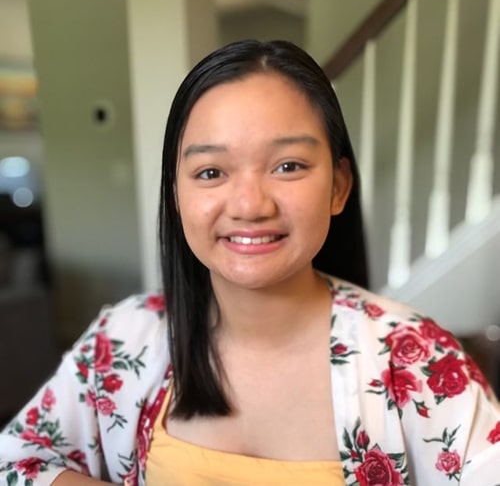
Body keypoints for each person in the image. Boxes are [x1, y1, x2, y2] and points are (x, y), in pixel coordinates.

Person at [0, 39, 499, 486]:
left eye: (288, 166)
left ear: (339, 186)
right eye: (211, 171)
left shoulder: (413, 359)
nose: (249, 204)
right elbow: (17, 460)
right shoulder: (125, 339)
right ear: (176, 194)